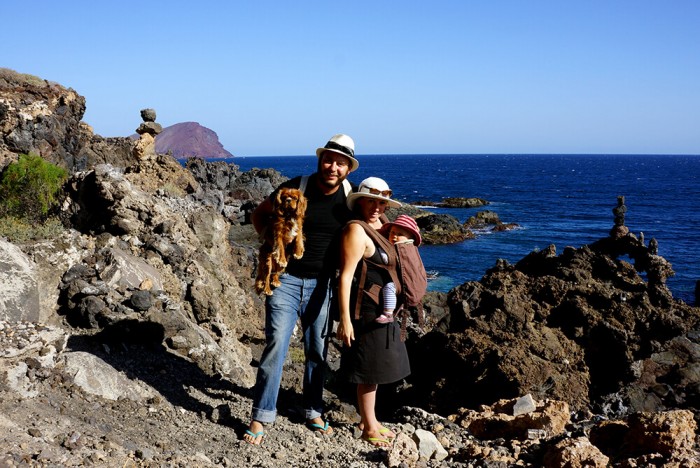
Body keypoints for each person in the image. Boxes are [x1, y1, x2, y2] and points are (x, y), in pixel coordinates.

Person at [243, 134, 358, 445]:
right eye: (329, 159)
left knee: (317, 351)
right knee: (277, 344)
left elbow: (369, 224)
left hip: (323, 283)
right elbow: (258, 214)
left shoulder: (351, 198)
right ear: (321, 160)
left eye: (341, 162)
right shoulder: (297, 186)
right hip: (286, 280)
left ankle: (313, 410)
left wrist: (398, 236)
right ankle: (261, 415)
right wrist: (270, 240)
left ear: (348, 168)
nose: (333, 166)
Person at [336, 177, 411, 447]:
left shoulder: (381, 226)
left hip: (385, 308)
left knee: (378, 367)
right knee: (368, 369)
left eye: (381, 202)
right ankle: (368, 427)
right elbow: (345, 277)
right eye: (371, 201)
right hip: (367, 309)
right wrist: (345, 319)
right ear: (360, 201)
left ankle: (371, 419)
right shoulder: (356, 231)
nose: (377, 207)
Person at [375, 215, 422, 324]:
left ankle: (388, 313)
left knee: (389, 287)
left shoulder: (403, 249)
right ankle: (399, 306)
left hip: (403, 281)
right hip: (403, 280)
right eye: (392, 233)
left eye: (400, 234)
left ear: (409, 238)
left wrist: (377, 251)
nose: (394, 236)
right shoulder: (405, 246)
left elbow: (388, 259)